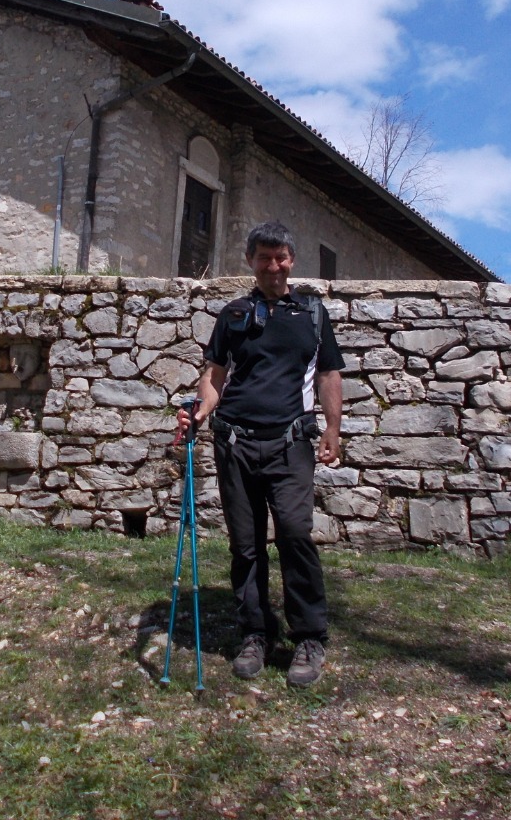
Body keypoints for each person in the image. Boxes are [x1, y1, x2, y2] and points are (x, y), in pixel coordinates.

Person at [176, 220, 343, 687]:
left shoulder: (312, 314)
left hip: (290, 443)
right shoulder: (232, 315)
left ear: (292, 260)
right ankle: (255, 631)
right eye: (264, 257)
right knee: (245, 545)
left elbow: (329, 373)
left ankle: (309, 636)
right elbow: (214, 374)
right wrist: (201, 411)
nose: (274, 265)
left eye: (281, 257)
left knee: (294, 534)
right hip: (235, 442)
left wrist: (332, 427)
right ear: (251, 261)